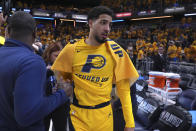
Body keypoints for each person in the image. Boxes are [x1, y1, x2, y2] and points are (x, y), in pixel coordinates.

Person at [52, 6, 139, 131]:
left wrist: (130, 123)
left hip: (105, 118)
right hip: (77, 118)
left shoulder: (117, 51)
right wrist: (67, 88)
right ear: (91, 23)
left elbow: (124, 89)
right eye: (103, 23)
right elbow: (60, 75)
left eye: (110, 24)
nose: (107, 29)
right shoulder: (71, 49)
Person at [0, 11, 71, 131]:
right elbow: (27, 116)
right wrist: (62, 94)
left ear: (7, 32)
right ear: (34, 34)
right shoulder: (32, 62)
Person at [42, 41, 70, 131]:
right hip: (45, 103)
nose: (59, 58)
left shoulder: (65, 66)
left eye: (60, 56)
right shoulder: (41, 65)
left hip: (61, 104)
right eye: (56, 56)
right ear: (49, 54)